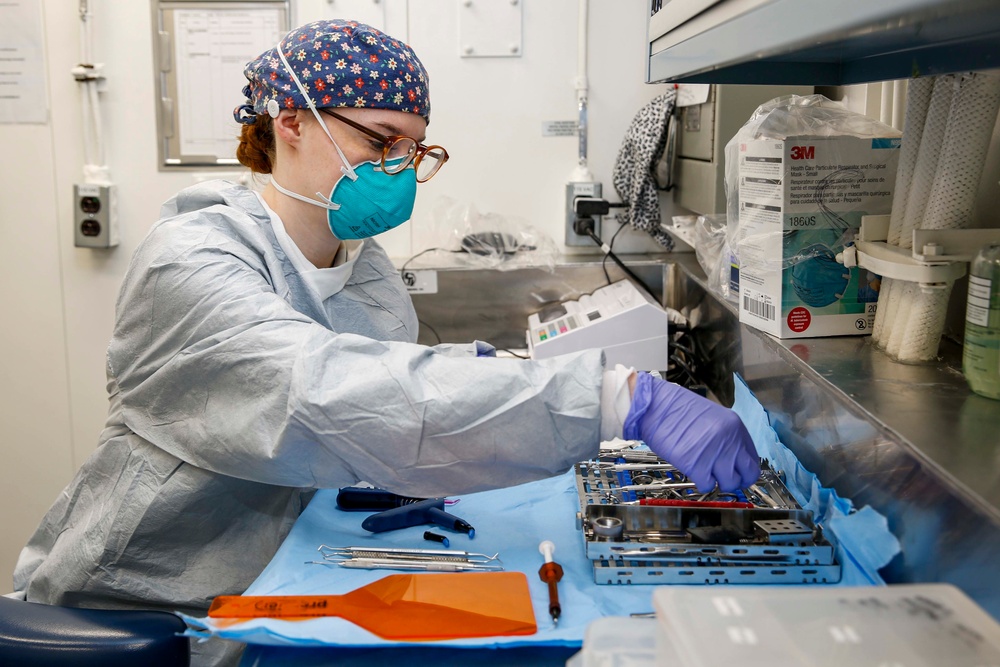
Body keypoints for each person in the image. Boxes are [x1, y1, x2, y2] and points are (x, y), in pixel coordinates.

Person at [12, 19, 759, 666]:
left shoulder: (363, 269)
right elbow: (325, 391)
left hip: (280, 576)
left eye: (415, 150)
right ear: (291, 122)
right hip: (151, 606)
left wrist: (496, 396)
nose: (400, 169)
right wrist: (611, 397)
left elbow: (398, 378)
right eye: (382, 140)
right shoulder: (191, 261)